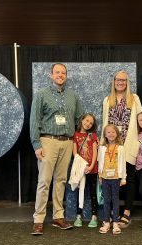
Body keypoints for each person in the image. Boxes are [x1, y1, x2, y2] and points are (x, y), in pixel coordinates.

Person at [100, 70, 142, 229]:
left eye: (124, 80)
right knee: (113, 178)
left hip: (129, 145)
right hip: (113, 146)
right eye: (118, 80)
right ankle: (112, 212)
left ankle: (127, 212)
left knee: (129, 180)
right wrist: (103, 142)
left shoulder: (134, 98)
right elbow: (104, 122)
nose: (121, 82)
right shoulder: (107, 100)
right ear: (114, 81)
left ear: (127, 82)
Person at [30, 63, 85, 235]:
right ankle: (38, 219)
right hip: (48, 140)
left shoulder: (73, 96)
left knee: (61, 180)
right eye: (57, 72)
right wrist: (36, 144)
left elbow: (80, 118)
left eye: (63, 73)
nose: (60, 75)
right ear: (51, 75)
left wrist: (80, 139)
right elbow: (34, 120)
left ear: (66, 76)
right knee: (44, 181)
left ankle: (58, 216)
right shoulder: (42, 94)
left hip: (67, 142)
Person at [71, 113, 99, 228]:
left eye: (91, 123)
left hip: (92, 169)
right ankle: (78, 216)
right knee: (80, 191)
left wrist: (91, 166)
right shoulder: (75, 135)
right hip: (81, 168)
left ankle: (94, 216)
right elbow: (74, 152)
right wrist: (82, 165)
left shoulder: (93, 135)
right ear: (82, 120)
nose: (88, 124)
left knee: (93, 193)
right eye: (87, 121)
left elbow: (95, 152)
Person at [98, 124, 126, 235]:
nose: (111, 134)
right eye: (108, 132)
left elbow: (123, 163)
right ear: (105, 134)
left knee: (115, 200)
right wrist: (100, 176)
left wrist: (123, 177)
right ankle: (106, 222)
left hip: (116, 178)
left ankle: (115, 222)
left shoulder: (121, 148)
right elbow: (100, 162)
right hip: (105, 177)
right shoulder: (102, 148)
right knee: (106, 200)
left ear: (117, 134)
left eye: (113, 132)